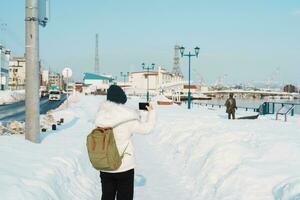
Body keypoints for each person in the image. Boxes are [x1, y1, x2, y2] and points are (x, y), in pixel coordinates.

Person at [94, 85, 155, 200]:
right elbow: (147, 129)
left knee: (107, 196)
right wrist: (151, 113)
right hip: (124, 167)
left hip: (105, 166)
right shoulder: (127, 118)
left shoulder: (100, 117)